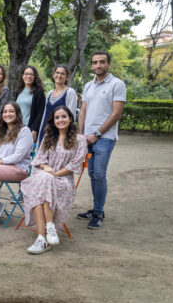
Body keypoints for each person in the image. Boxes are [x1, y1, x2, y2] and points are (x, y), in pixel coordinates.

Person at [21, 106, 87, 254]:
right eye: (57, 117)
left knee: (41, 186)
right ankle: (48, 229)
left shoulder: (80, 140)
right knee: (43, 181)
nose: (60, 120)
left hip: (63, 180)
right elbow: (40, 160)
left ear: (70, 119)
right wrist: (47, 170)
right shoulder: (48, 137)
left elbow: (74, 165)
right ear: (53, 121)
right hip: (44, 174)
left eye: (64, 117)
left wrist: (54, 174)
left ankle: (42, 239)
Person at [76, 51, 126, 229]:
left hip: (104, 138)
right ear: (91, 65)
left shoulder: (117, 84)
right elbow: (83, 111)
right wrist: (81, 134)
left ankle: (98, 212)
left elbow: (116, 113)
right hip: (87, 138)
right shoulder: (89, 86)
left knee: (99, 174)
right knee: (91, 175)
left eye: (102, 62)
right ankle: (95, 208)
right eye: (95, 62)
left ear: (108, 64)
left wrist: (96, 134)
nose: (98, 65)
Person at [0, 102, 33, 226]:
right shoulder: (0, 131)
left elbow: (17, 156)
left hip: (18, 168)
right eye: (5, 112)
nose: (7, 114)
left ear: (17, 114)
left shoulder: (24, 131)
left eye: (11, 111)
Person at [37, 65, 78, 144]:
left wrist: (66, 136)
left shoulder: (70, 92)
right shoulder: (49, 94)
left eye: (63, 74)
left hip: (59, 133)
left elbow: (71, 116)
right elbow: (44, 116)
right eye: (57, 73)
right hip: (45, 131)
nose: (59, 75)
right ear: (53, 75)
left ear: (67, 77)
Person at [16, 65, 46, 142]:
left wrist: (35, 130)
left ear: (35, 76)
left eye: (31, 74)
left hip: (28, 129)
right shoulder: (19, 90)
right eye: (26, 74)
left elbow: (40, 113)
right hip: (16, 128)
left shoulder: (39, 92)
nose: (28, 76)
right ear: (22, 76)